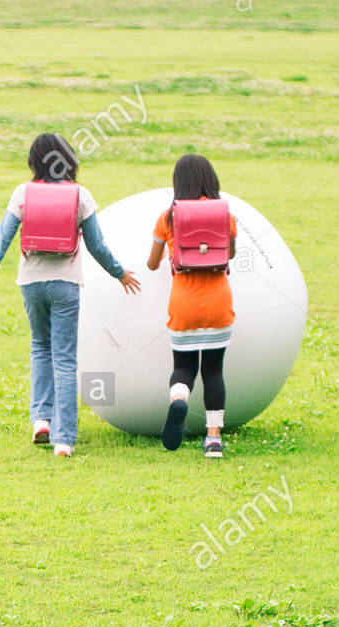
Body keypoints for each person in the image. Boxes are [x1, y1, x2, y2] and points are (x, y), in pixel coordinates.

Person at [0, 133, 140, 458]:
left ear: (34, 161)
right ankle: (63, 439)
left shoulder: (23, 192)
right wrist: (119, 272)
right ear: (69, 160)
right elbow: (96, 245)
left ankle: (41, 420)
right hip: (65, 282)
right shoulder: (80, 195)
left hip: (32, 282)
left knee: (40, 348)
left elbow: (3, 236)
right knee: (64, 358)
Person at [147, 154, 237, 458]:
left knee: (183, 367)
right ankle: (213, 439)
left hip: (183, 305)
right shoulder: (225, 216)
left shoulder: (168, 217)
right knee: (214, 371)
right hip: (219, 303)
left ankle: (178, 400)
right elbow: (231, 254)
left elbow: (152, 263)